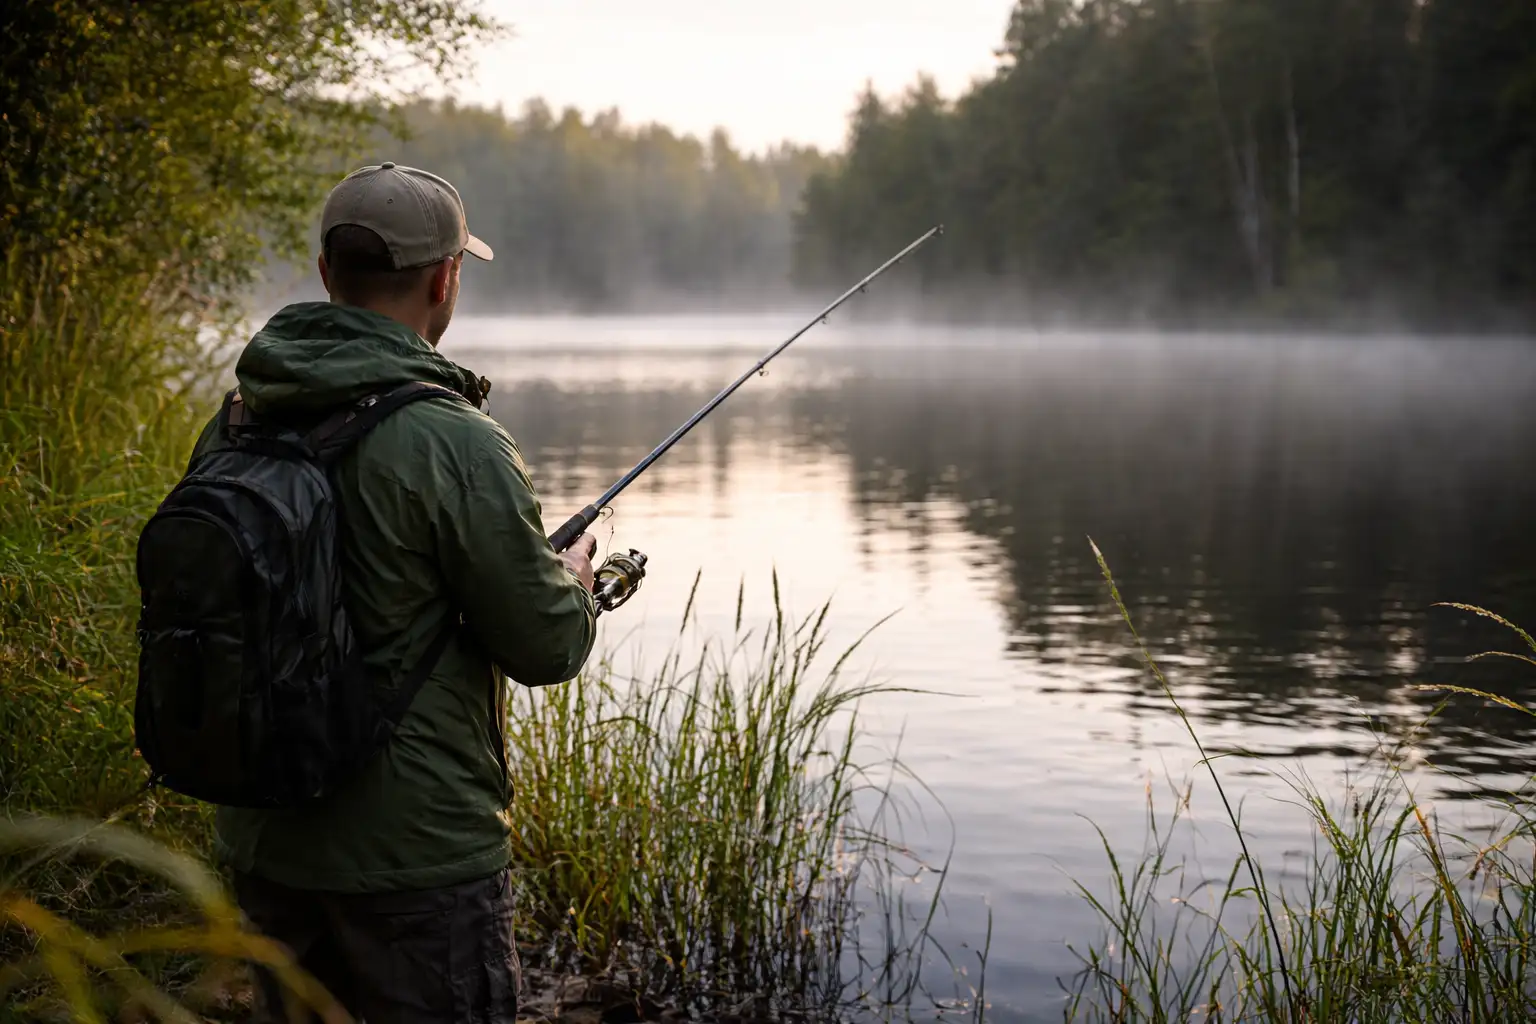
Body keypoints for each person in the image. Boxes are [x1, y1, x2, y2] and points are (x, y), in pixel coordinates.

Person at [193, 162, 598, 1023]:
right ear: (446, 278)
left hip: (265, 838)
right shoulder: (456, 442)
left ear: (329, 273)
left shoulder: (235, 419)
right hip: (418, 858)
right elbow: (546, 645)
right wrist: (577, 586)